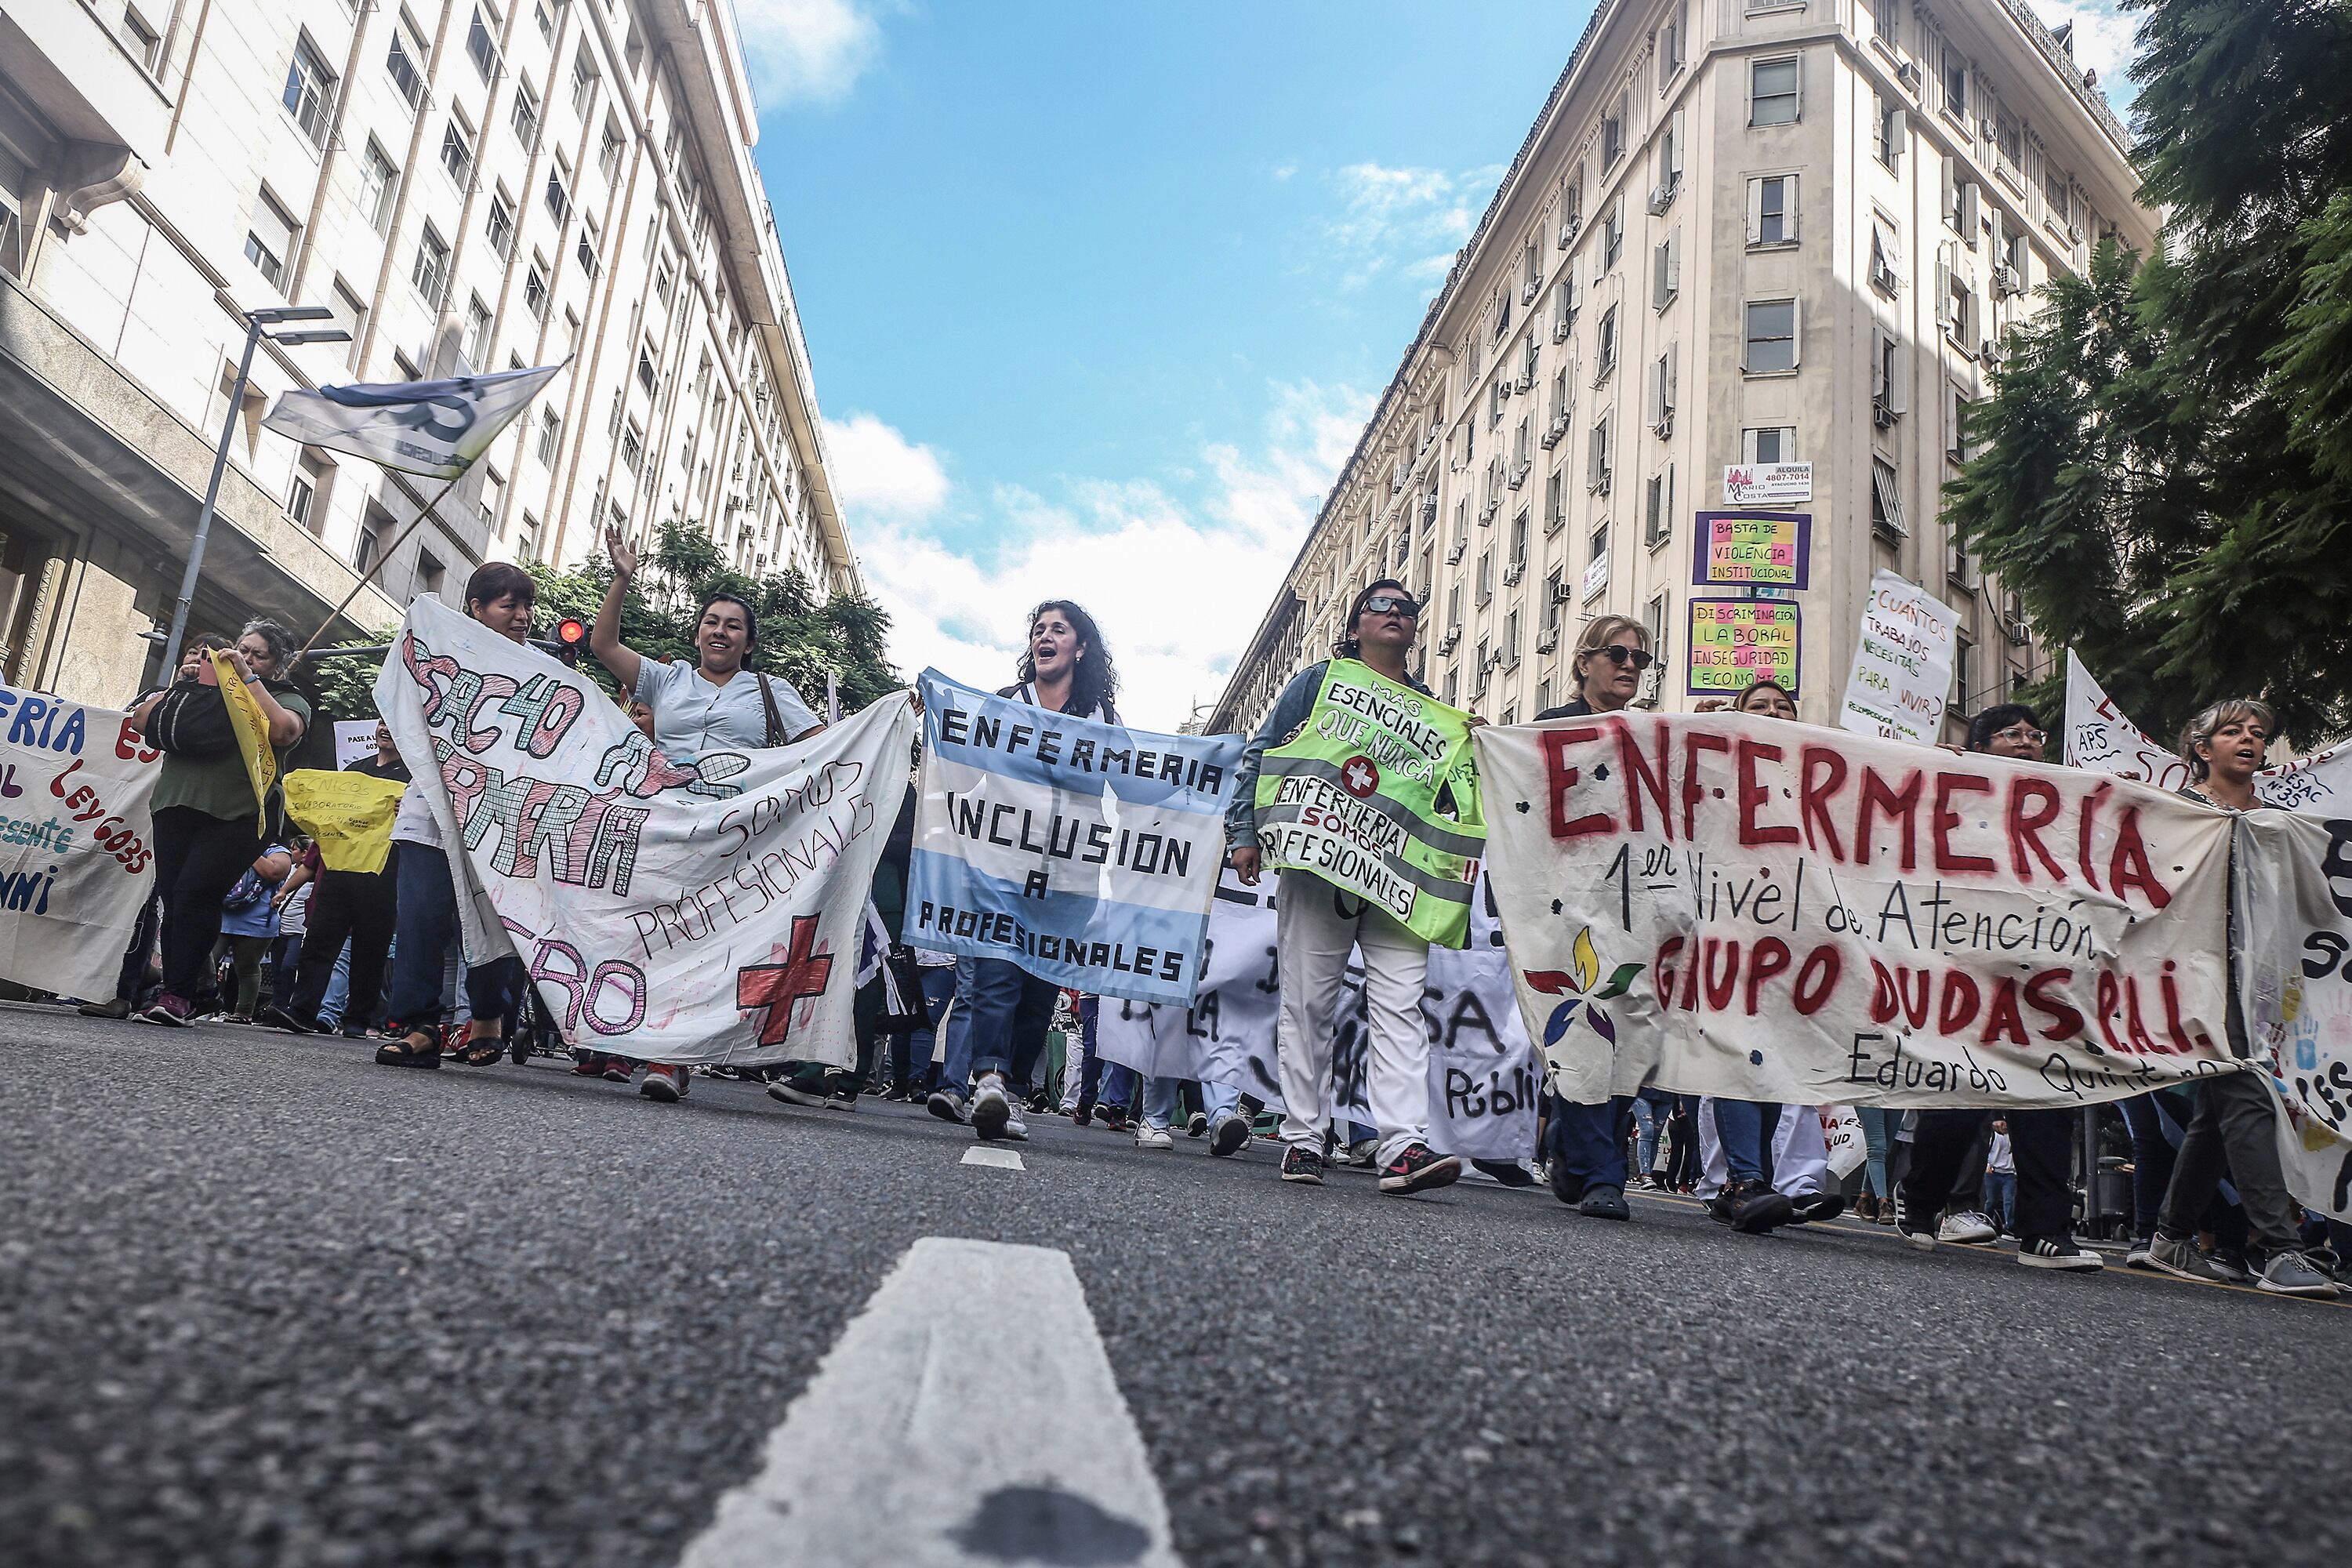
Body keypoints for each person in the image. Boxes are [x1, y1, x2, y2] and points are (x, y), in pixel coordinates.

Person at [1228, 579, 1466, 1196]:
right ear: (1356, 623)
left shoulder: (1433, 710)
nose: (1396, 613)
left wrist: (1475, 748)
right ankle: (1305, 1139)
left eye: (1408, 608)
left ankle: (1402, 1145)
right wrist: (1243, 830)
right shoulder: (1316, 682)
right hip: (1317, 863)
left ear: (1415, 629)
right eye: (1380, 605)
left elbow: (1443, 794)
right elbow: (1262, 753)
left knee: (1401, 1004)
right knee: (1309, 1004)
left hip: (1395, 874)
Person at [1891, 705, 2101, 1269]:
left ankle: (2046, 1232)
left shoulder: (2064, 804)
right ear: (1981, 745)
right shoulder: (1952, 792)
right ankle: (1922, 1202)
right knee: (1958, 1103)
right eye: (2013, 735)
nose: (2029, 742)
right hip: (1967, 972)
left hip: (2039, 979)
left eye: (2036, 735)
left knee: (2045, 1100)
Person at [2141, 699, 2339, 1298]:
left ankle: (2172, 1234)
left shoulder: (2281, 822)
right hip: (2197, 976)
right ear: (2203, 749)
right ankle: (2280, 1248)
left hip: (2265, 986)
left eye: (2257, 733)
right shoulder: (2177, 812)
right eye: (2232, 731)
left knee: (2216, 1111)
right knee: (2248, 1091)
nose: (2249, 739)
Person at [927, 601, 1122, 1142]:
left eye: (1059, 629)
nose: (1046, 636)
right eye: (1039, 629)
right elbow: (962, 775)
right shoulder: (1006, 704)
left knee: (1038, 988)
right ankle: (987, 1078)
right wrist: (938, 723)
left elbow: (1135, 781)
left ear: (1080, 648)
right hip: (1001, 864)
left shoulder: (1100, 717)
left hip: (1070, 873)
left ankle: (1008, 1094)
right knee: (995, 970)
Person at [374, 564, 538, 1069]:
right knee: (421, 916)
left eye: (525, 606)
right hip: (429, 813)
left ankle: (487, 1018)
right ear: (476, 609)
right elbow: (399, 710)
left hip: (500, 822)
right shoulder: (436, 660)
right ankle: (420, 1026)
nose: (521, 617)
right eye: (507, 605)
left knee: (494, 921)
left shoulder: (541, 671)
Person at [129, 622, 312, 1026]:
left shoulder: (283, 697)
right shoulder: (200, 689)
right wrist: (183, 685)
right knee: (176, 897)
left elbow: (283, 731)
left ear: (277, 666)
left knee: (196, 892)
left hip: (240, 814)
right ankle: (189, 989)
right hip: (177, 802)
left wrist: (246, 681)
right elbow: (142, 722)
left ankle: (179, 993)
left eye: (258, 655)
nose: (245, 658)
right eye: (242, 649)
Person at [1531, 615, 1653, 1220]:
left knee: (1627, 1043)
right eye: (1617, 654)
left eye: (1641, 658)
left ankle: (1571, 1152)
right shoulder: (1548, 731)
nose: (1630, 665)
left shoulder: (1651, 737)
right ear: (1584, 663)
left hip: (1632, 913)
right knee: (1583, 1034)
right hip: (1564, 911)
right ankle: (1605, 1175)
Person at [262, 721, 409, 1038]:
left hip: (382, 873)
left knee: (371, 947)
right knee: (318, 940)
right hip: (338, 870)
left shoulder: (413, 777)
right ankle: (302, 1011)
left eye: (395, 725)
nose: (387, 729)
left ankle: (358, 1019)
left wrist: (410, 809)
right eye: (383, 723)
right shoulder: (355, 770)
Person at [216, 839, 296, 1022]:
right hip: (221, 916)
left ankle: (244, 1012)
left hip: (256, 922)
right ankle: (202, 999)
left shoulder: (278, 851)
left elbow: (274, 872)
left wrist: (246, 848)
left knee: (247, 966)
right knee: (207, 960)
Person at [1983, 1117, 2016, 1236]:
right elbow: (1985, 1149)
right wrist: (1987, 1165)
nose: (2005, 1126)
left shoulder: (2014, 1137)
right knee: (1991, 1201)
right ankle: (1986, 1221)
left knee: (2009, 1200)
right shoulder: (1993, 1136)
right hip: (1993, 1172)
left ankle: (2010, 1226)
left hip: (2009, 1174)